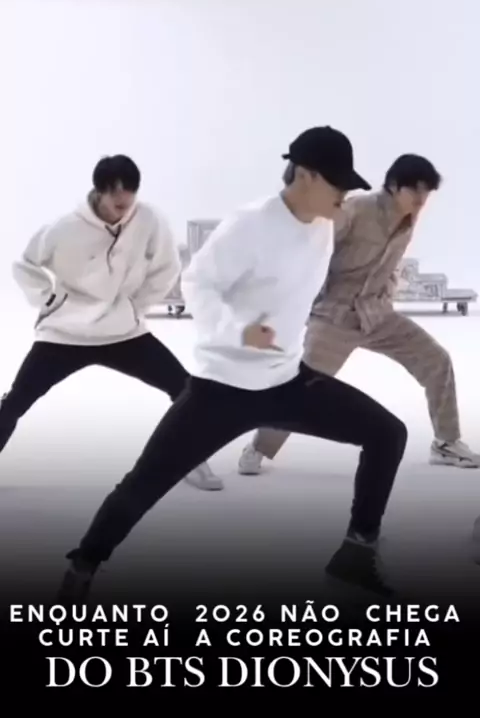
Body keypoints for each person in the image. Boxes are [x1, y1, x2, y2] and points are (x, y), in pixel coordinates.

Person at [58, 127, 408, 602]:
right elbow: (197, 283)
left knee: (388, 434)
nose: (344, 194)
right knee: (144, 483)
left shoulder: (323, 226)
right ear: (305, 175)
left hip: (285, 381)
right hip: (221, 390)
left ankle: (355, 555)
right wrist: (238, 330)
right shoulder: (251, 225)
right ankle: (82, 566)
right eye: (337, 184)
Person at [239, 155, 479, 474]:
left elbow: (389, 265)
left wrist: (388, 290)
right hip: (335, 318)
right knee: (303, 387)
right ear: (393, 186)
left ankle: (446, 443)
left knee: (436, 360)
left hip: (377, 315)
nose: (421, 199)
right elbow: (314, 248)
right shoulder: (357, 209)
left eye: (426, 192)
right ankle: (259, 448)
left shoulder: (407, 220)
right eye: (415, 190)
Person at [0, 155, 222, 492]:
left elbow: (167, 266)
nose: (124, 202)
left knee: (186, 391)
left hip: (124, 332)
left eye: (130, 193)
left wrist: (136, 307)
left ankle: (191, 463)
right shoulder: (64, 228)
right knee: (17, 400)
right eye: (116, 195)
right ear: (99, 192)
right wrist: (51, 300)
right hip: (65, 334)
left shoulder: (148, 219)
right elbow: (25, 265)